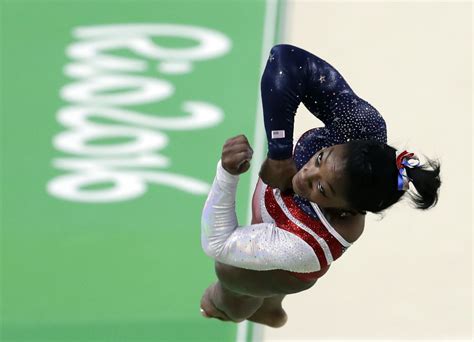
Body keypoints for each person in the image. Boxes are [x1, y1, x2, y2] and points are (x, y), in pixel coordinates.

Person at [199, 44, 441, 327]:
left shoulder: (307, 244)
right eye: (319, 158)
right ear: (345, 142)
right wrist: (279, 151)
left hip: (287, 261)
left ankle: (236, 306)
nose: (304, 175)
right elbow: (286, 60)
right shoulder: (362, 128)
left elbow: (217, 243)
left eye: (322, 189)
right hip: (276, 220)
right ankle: (272, 308)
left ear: (347, 211)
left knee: (229, 270)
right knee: (260, 242)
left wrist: (227, 173)